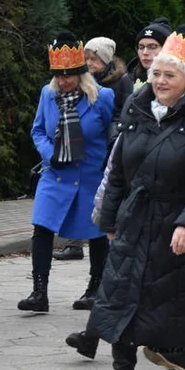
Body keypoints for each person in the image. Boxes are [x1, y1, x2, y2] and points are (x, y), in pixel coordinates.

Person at [86, 32, 185, 370]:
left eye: (170, 75)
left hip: (180, 226)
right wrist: (111, 217)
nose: (160, 81)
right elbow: (118, 170)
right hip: (136, 220)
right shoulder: (137, 107)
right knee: (121, 298)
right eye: (157, 73)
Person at [20, 33, 115, 313]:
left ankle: (95, 289)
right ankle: (39, 293)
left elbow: (115, 134)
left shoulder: (103, 97)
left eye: (69, 75)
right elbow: (37, 130)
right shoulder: (48, 95)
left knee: (96, 232)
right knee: (42, 226)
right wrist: (50, 154)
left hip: (90, 175)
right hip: (56, 173)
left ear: (81, 72)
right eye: (58, 75)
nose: (63, 81)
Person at [49, 36, 134, 264]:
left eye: (94, 58)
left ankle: (103, 252)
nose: (89, 62)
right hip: (76, 148)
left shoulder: (120, 81)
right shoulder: (79, 82)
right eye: (86, 58)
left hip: (105, 147)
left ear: (105, 60)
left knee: (97, 199)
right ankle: (73, 243)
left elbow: (120, 112)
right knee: (76, 198)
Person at [126, 17, 171, 89]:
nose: (145, 52)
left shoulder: (181, 82)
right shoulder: (127, 80)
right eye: (141, 47)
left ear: (167, 49)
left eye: (152, 47)